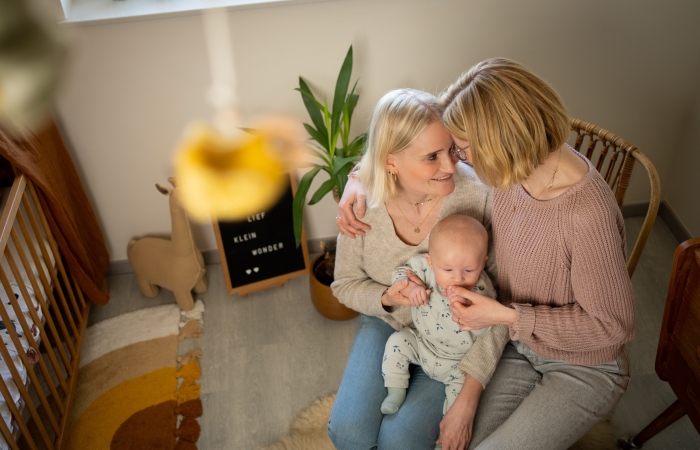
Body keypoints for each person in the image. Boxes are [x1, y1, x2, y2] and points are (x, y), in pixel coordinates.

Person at [337, 58, 635, 450]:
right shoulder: (507, 177)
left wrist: (508, 316)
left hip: (579, 363)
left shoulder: (580, 211)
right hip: (515, 341)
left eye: (461, 149)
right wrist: (356, 179)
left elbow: (614, 329)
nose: (458, 162)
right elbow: (400, 148)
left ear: (498, 142)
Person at [328, 88, 510, 450]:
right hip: (388, 321)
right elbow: (344, 284)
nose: (451, 166)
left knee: (400, 443)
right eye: (432, 157)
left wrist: (468, 398)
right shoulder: (363, 203)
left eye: (452, 150)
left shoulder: (478, 196)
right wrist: (386, 297)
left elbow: (502, 305)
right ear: (390, 161)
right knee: (347, 433)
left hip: (457, 340)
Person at [381, 215, 496, 438]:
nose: (458, 279)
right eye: (448, 270)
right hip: (423, 344)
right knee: (397, 342)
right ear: (431, 261)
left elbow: (489, 329)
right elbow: (400, 274)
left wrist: (470, 312)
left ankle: (446, 439)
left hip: (458, 364)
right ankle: (395, 391)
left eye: (469, 270)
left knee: (459, 401)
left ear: (483, 262)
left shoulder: (483, 292)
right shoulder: (423, 270)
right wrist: (411, 289)